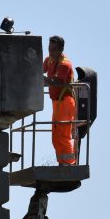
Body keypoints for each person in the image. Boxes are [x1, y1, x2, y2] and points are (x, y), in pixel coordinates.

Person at [43, 35, 76, 165]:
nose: (51, 52)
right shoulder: (49, 60)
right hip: (56, 103)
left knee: (63, 136)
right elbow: (40, 68)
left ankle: (70, 164)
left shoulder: (65, 64)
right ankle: (62, 163)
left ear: (61, 49)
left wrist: (42, 79)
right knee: (56, 137)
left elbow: (56, 81)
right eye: (49, 49)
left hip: (66, 102)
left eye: (54, 49)